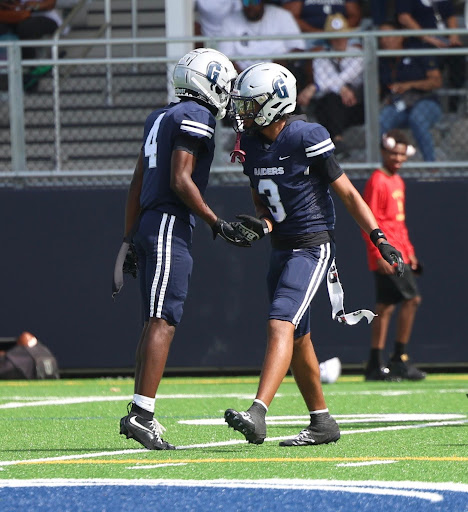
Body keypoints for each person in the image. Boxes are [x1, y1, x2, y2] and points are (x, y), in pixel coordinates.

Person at [223, 62, 404, 446]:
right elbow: (260, 197)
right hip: (280, 247)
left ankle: (258, 412)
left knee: (280, 322)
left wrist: (379, 237)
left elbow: (349, 194)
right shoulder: (251, 144)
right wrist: (264, 224)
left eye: (251, 103)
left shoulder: (307, 136)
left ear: (274, 104)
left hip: (311, 244)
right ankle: (322, 422)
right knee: (299, 336)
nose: (244, 110)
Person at [116, 48, 250, 451]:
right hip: (169, 221)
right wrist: (216, 222)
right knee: (164, 320)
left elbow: (138, 181)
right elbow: (179, 179)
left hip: (149, 221)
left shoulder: (159, 116)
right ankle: (141, 415)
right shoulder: (197, 116)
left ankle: (141, 411)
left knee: (155, 320)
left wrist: (128, 237)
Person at [362, 130, 426, 382]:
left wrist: (409, 252)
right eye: (394, 153)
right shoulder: (378, 181)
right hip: (387, 253)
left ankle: (375, 364)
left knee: (386, 307)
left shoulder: (397, 181)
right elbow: (368, 221)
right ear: (384, 151)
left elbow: (400, 223)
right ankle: (398, 358)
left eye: (402, 154)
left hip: (400, 252)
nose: (398, 158)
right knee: (412, 300)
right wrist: (376, 254)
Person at [297, 13, 364, 159]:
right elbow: (323, 80)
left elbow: (346, 76)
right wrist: (341, 88)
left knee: (331, 98)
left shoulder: (358, 54)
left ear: (347, 37)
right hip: (333, 106)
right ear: (329, 39)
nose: (339, 41)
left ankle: (332, 144)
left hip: (355, 104)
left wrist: (314, 87)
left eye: (342, 36)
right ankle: (338, 140)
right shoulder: (321, 56)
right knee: (331, 99)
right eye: (335, 37)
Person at [378, 21, 443, 162]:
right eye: (381, 37)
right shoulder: (381, 59)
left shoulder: (417, 50)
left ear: (400, 36)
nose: (384, 41)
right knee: (382, 120)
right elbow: (379, 90)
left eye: (388, 36)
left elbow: (437, 81)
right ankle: (384, 166)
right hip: (399, 105)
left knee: (418, 118)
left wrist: (409, 85)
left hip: (426, 101)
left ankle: (431, 167)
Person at [396, 0, 465, 113]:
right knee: (428, 60)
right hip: (419, 42)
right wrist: (429, 38)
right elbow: (404, 17)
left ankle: (455, 104)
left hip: (443, 41)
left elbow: (451, 16)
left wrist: (454, 36)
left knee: (458, 55)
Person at [217, 0, 307, 75]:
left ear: (262, 2)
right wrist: (243, 79)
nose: (251, 6)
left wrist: (282, 62)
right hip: (242, 75)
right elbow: (226, 57)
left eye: (255, 1)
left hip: (277, 74)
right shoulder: (229, 21)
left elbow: (298, 48)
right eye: (246, 2)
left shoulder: (282, 15)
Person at [282, 0, 362, 50]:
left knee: (356, 47)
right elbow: (291, 17)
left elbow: (354, 15)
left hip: (342, 33)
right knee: (315, 52)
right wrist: (317, 32)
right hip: (310, 36)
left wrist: (337, 33)